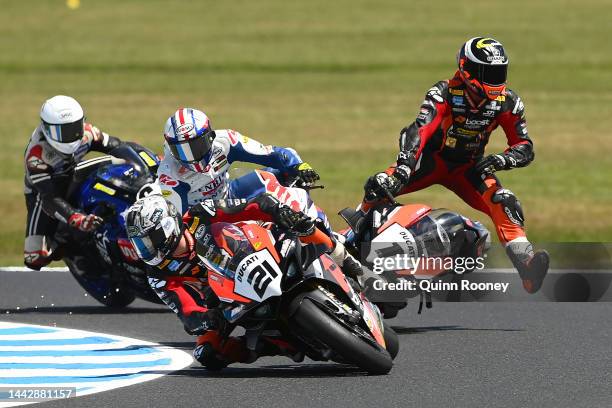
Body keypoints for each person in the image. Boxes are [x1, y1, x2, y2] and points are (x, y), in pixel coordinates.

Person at [363, 37, 549, 293]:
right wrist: (404, 167)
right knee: (379, 186)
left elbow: (525, 146)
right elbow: (418, 130)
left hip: (469, 169)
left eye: (500, 72)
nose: (496, 80)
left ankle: (527, 265)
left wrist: (501, 160)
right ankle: (345, 245)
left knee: (504, 200)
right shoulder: (444, 92)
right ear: (466, 68)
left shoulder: (508, 102)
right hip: (430, 162)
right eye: (489, 73)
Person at [125, 192, 334, 369]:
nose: (148, 249)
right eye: (141, 244)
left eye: (150, 240)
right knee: (207, 353)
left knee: (298, 221)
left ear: (168, 225)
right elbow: (187, 313)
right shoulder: (157, 274)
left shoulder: (201, 214)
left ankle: (339, 252)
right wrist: (207, 318)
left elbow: (254, 204)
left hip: (258, 248)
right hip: (227, 300)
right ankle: (273, 345)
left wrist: (278, 211)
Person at [157, 107, 362, 278]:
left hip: (230, 197)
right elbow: (180, 222)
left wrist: (299, 166)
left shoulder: (226, 141)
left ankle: (330, 243)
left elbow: (275, 153)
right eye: (181, 150)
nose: (191, 157)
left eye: (195, 146)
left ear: (209, 136)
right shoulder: (169, 174)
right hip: (205, 220)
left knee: (268, 179)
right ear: (169, 147)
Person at [23, 95, 127, 269]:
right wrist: (75, 218)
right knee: (34, 258)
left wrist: (147, 157)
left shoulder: (87, 133)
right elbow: (50, 197)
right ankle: (68, 246)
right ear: (46, 129)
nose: (70, 137)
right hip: (45, 191)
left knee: (123, 162)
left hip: (78, 173)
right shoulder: (37, 155)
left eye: (74, 129)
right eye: (62, 132)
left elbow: (117, 145)